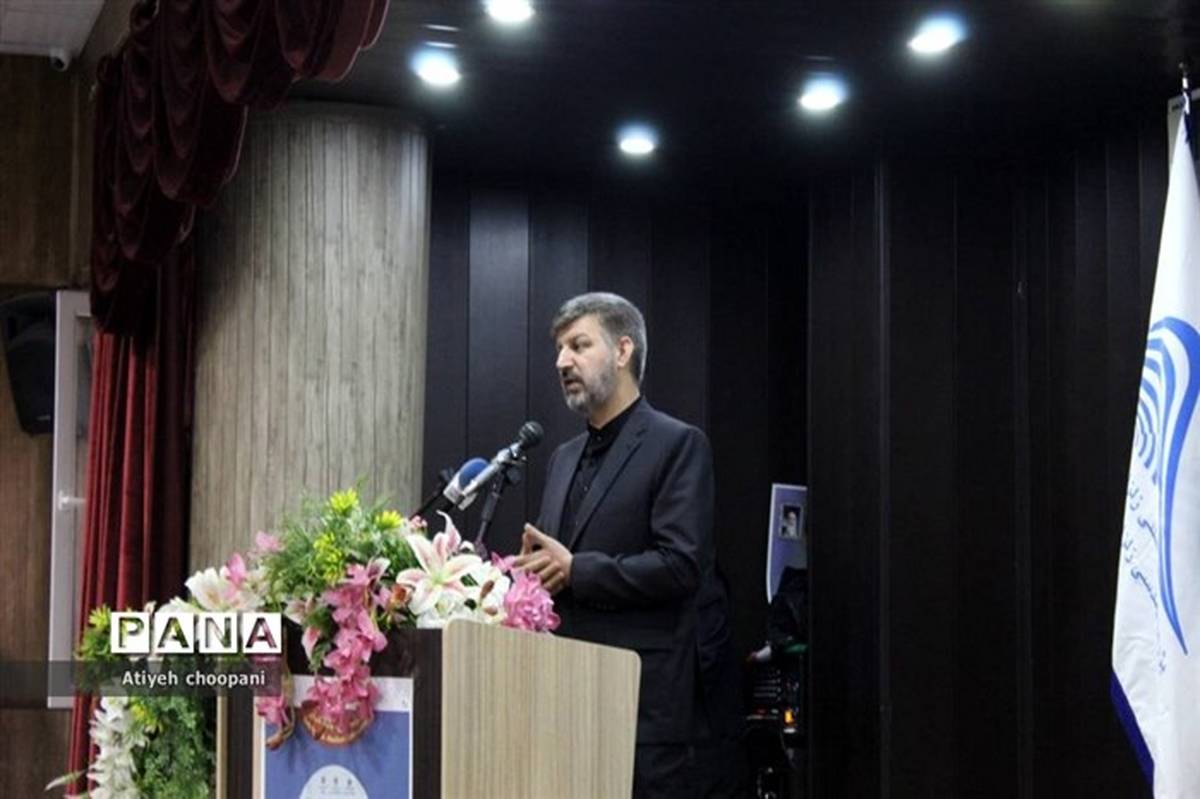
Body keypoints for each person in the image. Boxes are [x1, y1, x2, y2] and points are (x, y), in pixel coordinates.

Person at [514, 291, 716, 799]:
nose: (563, 362)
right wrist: (526, 575)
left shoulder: (677, 444)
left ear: (623, 350)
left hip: (642, 713)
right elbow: (555, 566)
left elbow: (681, 565)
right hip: (562, 705)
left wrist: (576, 569)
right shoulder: (562, 457)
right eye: (559, 349)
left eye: (579, 345)